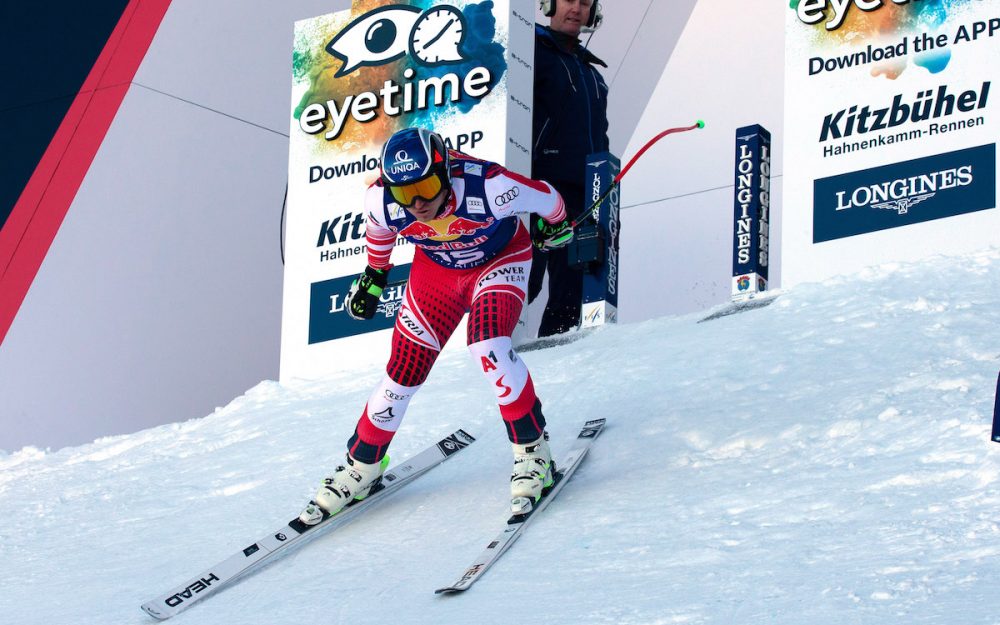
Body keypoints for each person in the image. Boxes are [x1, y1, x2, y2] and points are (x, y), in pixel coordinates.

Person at [299, 127, 574, 524]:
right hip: (438, 274)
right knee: (401, 374)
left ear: (445, 172)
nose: (418, 203)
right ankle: (363, 465)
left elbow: (548, 197)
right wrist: (375, 277)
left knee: (488, 345)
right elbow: (379, 234)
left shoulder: (490, 186)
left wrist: (556, 224)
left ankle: (534, 453)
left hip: (499, 262)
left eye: (427, 186)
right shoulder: (381, 199)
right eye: (405, 193)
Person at [528, 0, 610, 338]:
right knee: (521, 283)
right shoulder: (530, 50)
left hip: (583, 197)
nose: (576, 8)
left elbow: (600, 136)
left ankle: (556, 362)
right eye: (568, 0)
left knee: (570, 295)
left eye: (584, 2)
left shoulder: (594, 76)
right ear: (547, 4)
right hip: (536, 191)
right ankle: (488, 358)